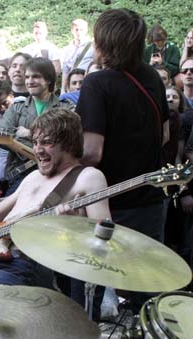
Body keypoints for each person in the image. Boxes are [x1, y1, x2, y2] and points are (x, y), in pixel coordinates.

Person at [0, 108, 110, 316]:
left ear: (69, 144)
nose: (38, 150)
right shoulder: (33, 176)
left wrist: (75, 226)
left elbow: (105, 240)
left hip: (20, 265)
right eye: (35, 142)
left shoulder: (88, 177)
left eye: (47, 142)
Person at [77, 8, 169, 245]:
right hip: (150, 202)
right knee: (140, 279)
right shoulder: (153, 77)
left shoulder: (95, 83)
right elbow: (165, 135)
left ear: (103, 44)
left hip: (109, 206)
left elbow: (91, 153)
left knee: (96, 278)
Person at [0, 57, 73, 195]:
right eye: (27, 77)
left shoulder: (66, 109)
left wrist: (30, 134)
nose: (30, 81)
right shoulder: (16, 108)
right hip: (20, 175)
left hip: (56, 175)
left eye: (36, 77)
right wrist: (47, 141)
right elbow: (3, 136)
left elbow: (68, 140)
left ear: (49, 79)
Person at [61, 18, 95, 93]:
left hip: (86, 83)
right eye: (76, 29)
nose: (78, 32)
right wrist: (63, 89)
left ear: (86, 30)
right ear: (72, 30)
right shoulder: (67, 49)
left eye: (81, 30)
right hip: (72, 85)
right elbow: (65, 70)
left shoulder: (93, 47)